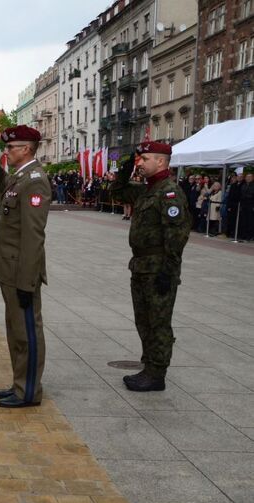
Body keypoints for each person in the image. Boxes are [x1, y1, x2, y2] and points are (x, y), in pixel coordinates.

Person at [109, 141, 190, 392]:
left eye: (145, 160)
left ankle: (157, 373)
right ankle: (148, 367)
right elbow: (118, 192)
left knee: (159, 322)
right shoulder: (147, 190)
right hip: (141, 266)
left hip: (159, 268)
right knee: (143, 321)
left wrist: (168, 271)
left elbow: (177, 235)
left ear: (161, 162)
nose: (140, 164)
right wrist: (123, 170)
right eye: (139, 160)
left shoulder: (169, 192)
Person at [0, 125, 51, 408]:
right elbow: (4, 186)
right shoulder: (20, 177)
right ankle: (20, 383)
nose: (6, 151)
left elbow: (34, 237)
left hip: (20, 271)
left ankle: (29, 391)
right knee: (15, 328)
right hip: (9, 268)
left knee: (27, 331)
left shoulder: (35, 180)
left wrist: (27, 281)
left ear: (26, 149)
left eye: (11, 148)